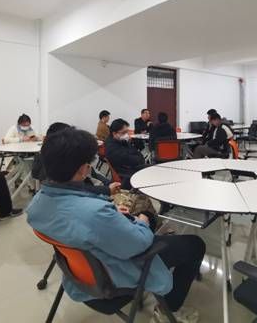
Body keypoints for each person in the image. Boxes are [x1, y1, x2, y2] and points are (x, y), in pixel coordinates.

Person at [26, 128, 205, 322]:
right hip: (112, 278)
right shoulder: (95, 213)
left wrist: (110, 216)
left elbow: (76, 219)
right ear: (83, 169)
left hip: (78, 274)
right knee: (195, 245)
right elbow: (139, 244)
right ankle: (168, 310)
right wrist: (142, 221)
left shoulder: (36, 204)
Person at [31, 122, 121, 196]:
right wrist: (107, 189)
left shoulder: (73, 158)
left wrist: (109, 184)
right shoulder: (52, 164)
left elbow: (94, 173)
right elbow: (75, 188)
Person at [105, 119, 146, 189]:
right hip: (127, 174)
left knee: (155, 168)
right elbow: (132, 159)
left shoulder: (121, 141)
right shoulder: (112, 148)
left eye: (127, 132)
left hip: (131, 168)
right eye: (124, 132)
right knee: (152, 173)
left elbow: (137, 153)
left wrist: (138, 157)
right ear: (114, 133)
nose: (126, 134)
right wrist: (138, 158)